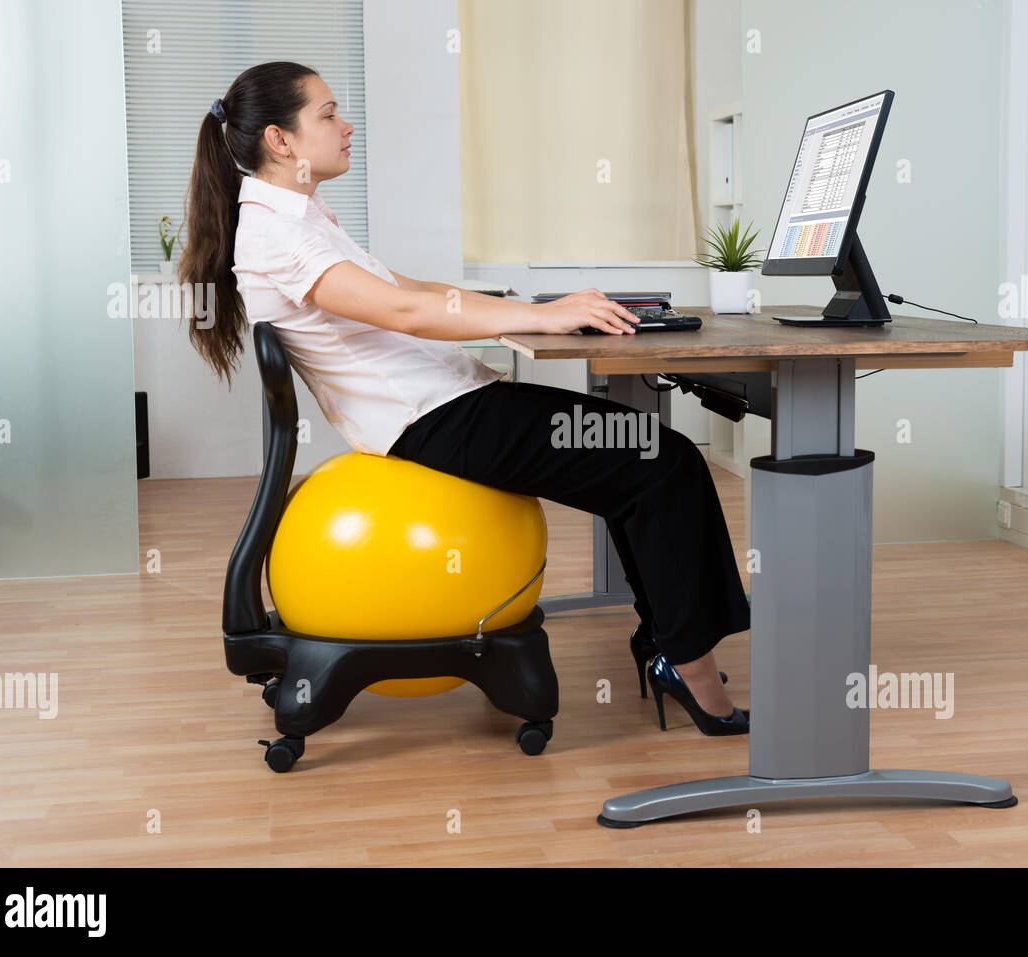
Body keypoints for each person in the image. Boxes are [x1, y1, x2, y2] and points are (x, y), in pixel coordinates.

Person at [179, 61, 749, 735]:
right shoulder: (279, 234)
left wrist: (528, 307)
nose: (347, 125)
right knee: (665, 460)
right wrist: (538, 318)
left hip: (444, 407)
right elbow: (405, 313)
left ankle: (670, 647)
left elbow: (413, 291)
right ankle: (689, 666)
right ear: (280, 140)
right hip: (436, 423)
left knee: (644, 461)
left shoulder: (300, 218)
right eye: (329, 114)